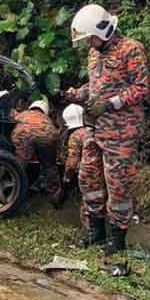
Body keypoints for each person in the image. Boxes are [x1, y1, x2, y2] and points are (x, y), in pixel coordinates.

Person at [65, 4, 149, 254]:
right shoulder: (94, 54)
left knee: (118, 185)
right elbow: (95, 87)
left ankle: (117, 239)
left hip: (122, 132)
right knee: (88, 177)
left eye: (90, 37)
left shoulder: (131, 50)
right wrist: (77, 94)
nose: (88, 43)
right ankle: (96, 231)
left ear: (103, 32)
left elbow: (141, 88)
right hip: (95, 128)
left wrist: (111, 104)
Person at [62, 104, 106, 246]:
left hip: (89, 174)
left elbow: (72, 161)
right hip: (106, 171)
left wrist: (67, 177)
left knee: (90, 203)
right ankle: (102, 233)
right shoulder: (95, 130)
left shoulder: (75, 135)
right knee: (101, 201)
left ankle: (93, 235)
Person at [10, 98, 61, 202]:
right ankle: (55, 195)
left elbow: (12, 117)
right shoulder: (47, 119)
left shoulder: (25, 113)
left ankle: (11, 191)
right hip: (47, 135)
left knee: (19, 164)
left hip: (25, 134)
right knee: (50, 166)